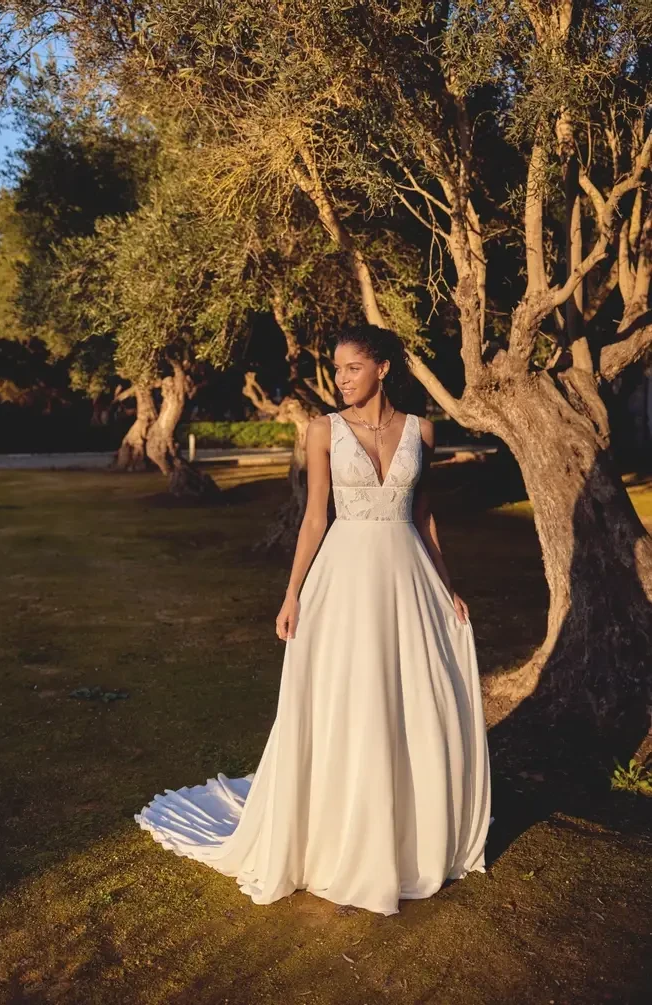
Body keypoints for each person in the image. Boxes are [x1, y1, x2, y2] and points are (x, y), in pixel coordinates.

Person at [134, 323, 492, 917]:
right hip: (345, 580)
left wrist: (448, 587)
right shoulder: (323, 430)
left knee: (413, 699)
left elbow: (425, 517)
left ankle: (410, 833)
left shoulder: (423, 432)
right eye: (337, 368)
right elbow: (314, 518)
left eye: (352, 368)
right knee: (346, 700)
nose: (341, 378)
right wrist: (292, 593)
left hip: (409, 580)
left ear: (382, 368)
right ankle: (341, 830)